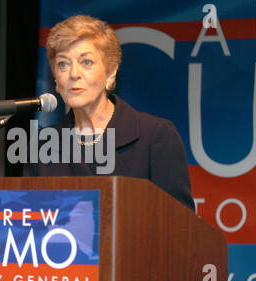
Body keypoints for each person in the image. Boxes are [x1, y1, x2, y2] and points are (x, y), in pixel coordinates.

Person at [23, 15, 195, 212]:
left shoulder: (155, 136)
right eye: (63, 64)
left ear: (111, 72)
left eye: (86, 62)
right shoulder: (42, 145)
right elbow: (31, 227)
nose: (73, 74)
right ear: (55, 78)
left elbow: (180, 227)